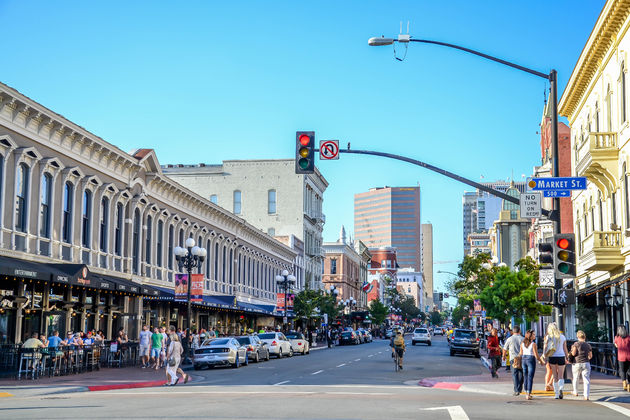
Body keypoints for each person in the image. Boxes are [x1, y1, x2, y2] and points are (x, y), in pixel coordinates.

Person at [543, 322, 569, 399]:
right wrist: (567, 357)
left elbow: (545, 347)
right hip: (561, 356)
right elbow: (565, 348)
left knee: (555, 376)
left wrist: (544, 355)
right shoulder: (562, 337)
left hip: (552, 357)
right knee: (561, 375)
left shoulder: (548, 337)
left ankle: (556, 394)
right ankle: (561, 389)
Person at [519, 329, 542, 400]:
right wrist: (540, 361)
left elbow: (520, 353)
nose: (535, 335)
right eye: (534, 334)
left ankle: (526, 391)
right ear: (530, 336)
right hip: (530, 359)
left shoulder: (522, 343)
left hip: (524, 359)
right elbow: (536, 355)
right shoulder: (533, 344)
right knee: (530, 377)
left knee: (525, 375)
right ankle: (528, 394)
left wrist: (517, 359)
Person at [571, 330, 593, 400]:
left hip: (577, 363)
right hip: (586, 363)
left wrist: (571, 353)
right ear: (584, 337)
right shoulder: (588, 345)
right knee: (586, 379)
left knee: (576, 378)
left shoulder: (576, 344)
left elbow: (573, 354)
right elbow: (590, 356)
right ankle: (586, 395)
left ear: (578, 336)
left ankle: (575, 391)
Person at [502, 326, 524, 395]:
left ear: (513, 331)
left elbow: (505, 348)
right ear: (519, 331)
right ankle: (520, 388)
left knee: (514, 374)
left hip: (513, 358)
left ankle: (516, 390)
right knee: (521, 373)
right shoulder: (523, 339)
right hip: (521, 358)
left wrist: (503, 356)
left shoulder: (509, 339)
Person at [614, 325, 630, 391]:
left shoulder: (617, 338)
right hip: (629, 356)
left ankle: (624, 383)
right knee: (629, 371)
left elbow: (616, 345)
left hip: (621, 356)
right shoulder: (629, 337)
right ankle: (629, 384)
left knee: (622, 370)